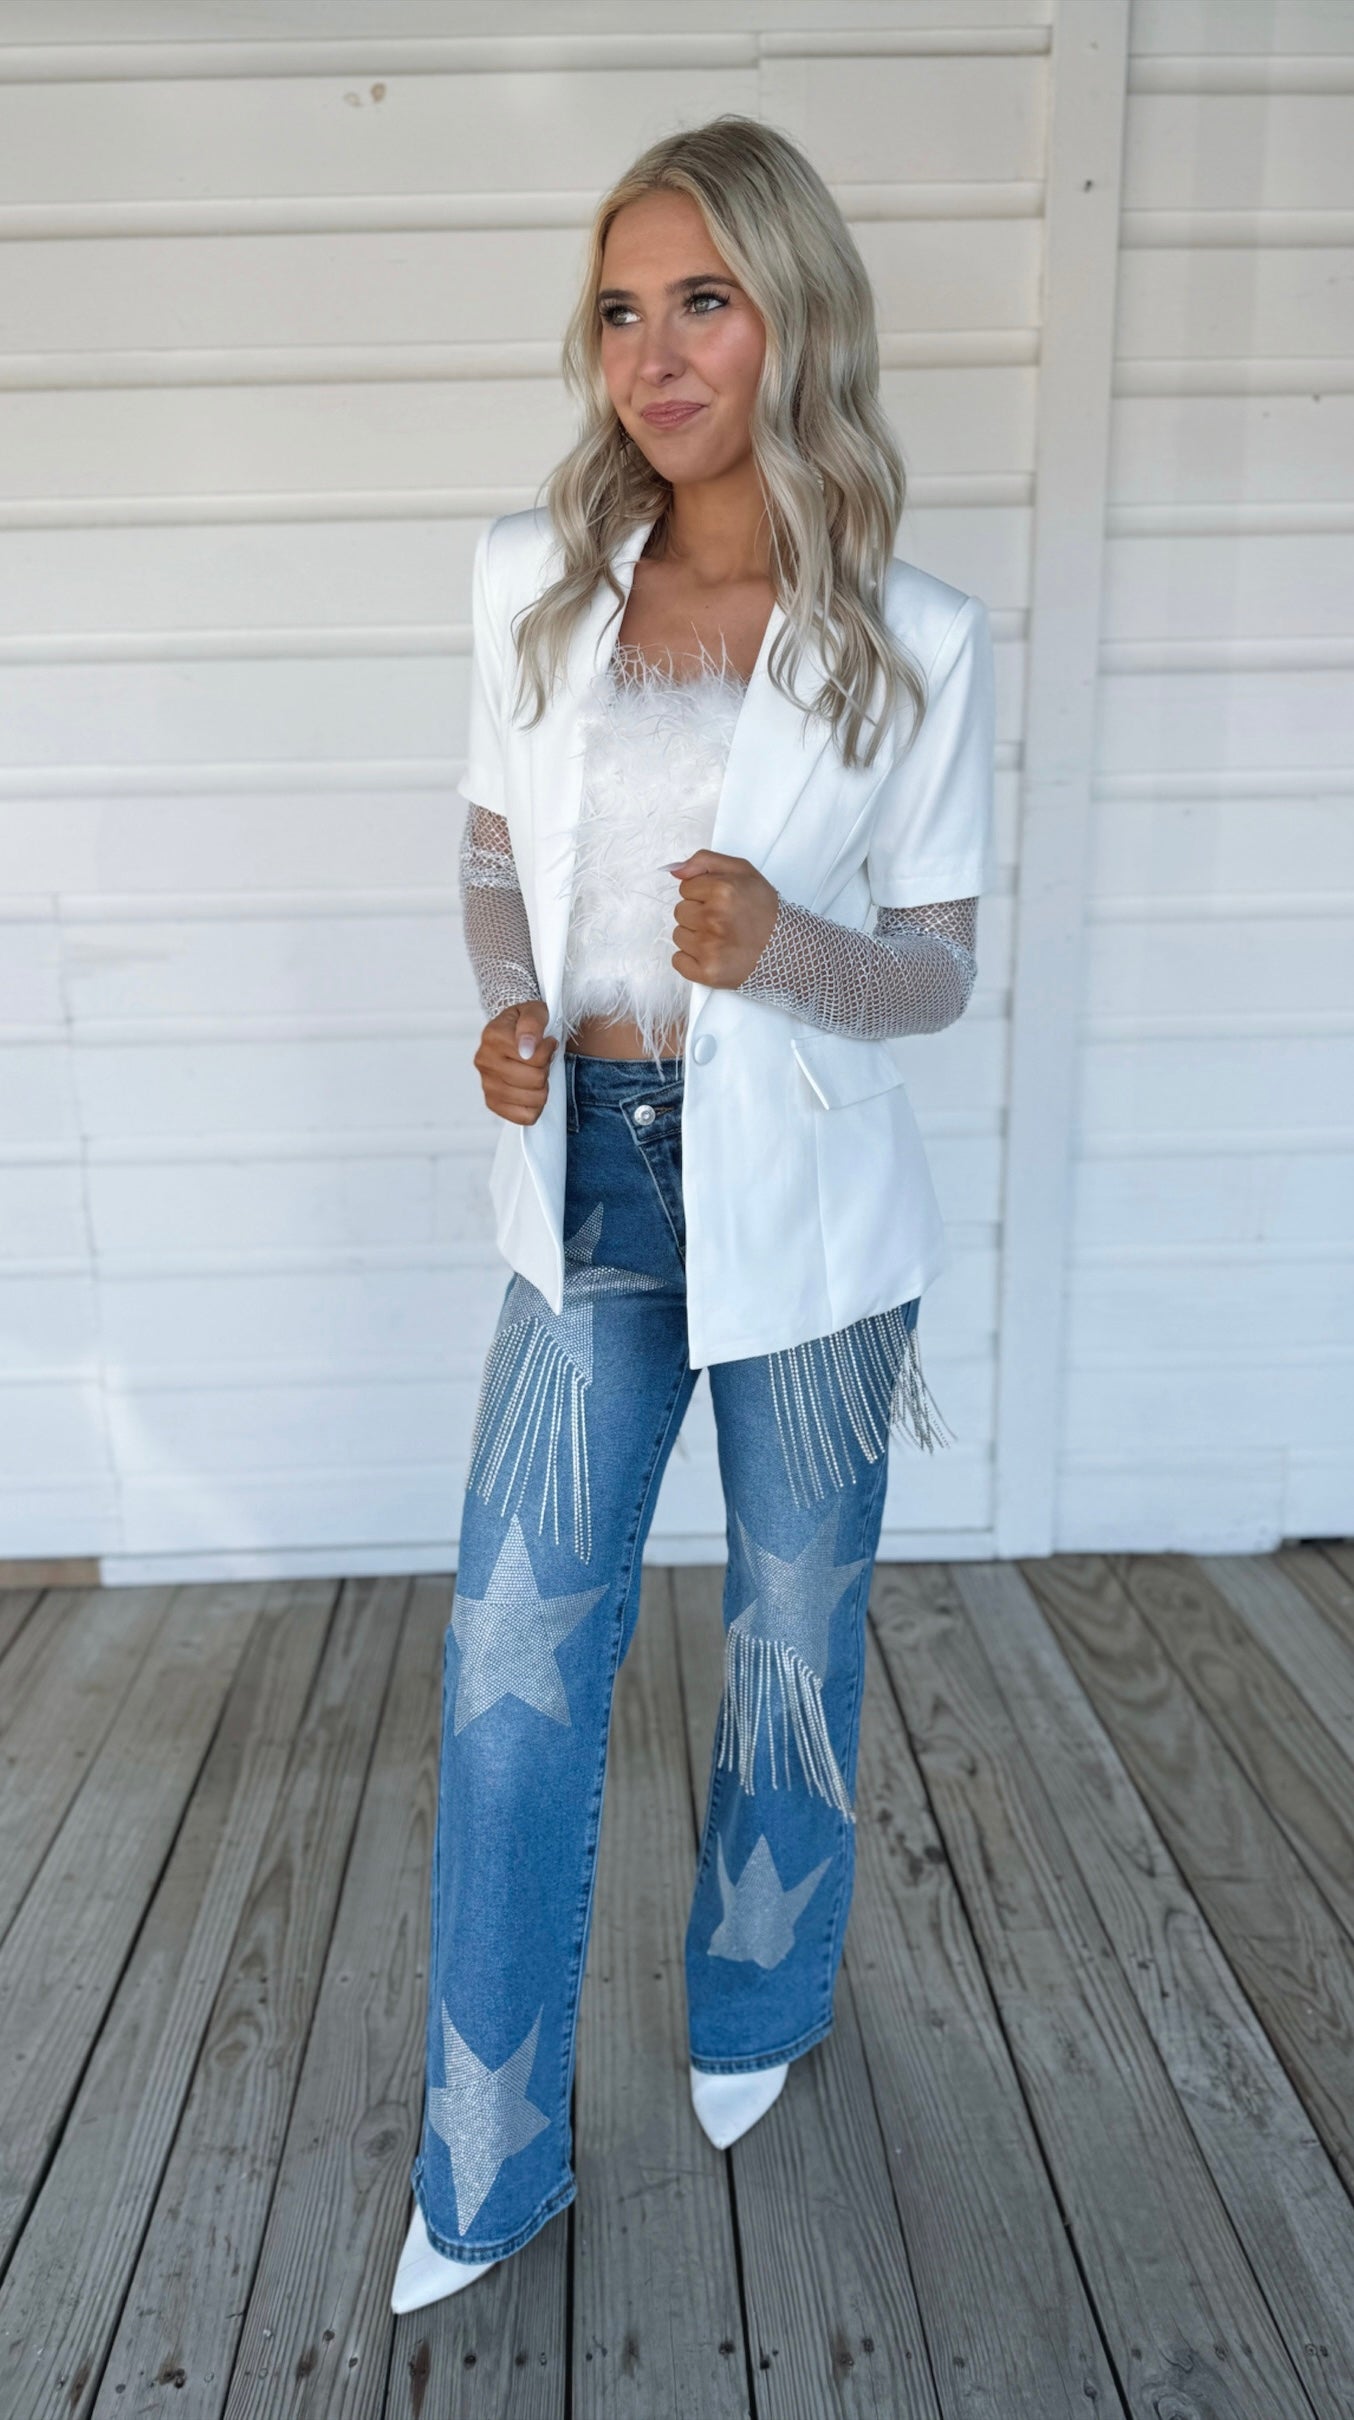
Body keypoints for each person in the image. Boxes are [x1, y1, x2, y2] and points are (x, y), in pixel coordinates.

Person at [392, 113, 995, 2315]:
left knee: (781, 1644)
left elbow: (931, 962)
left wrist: (785, 953)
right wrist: (508, 1011)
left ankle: (752, 2008)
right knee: (511, 1663)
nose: (655, 352)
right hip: (586, 1183)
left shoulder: (909, 638)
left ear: (790, 320)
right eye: (623, 310)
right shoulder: (528, 589)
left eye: (703, 303)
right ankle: (484, 2157)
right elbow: (487, 856)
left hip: (813, 1222)